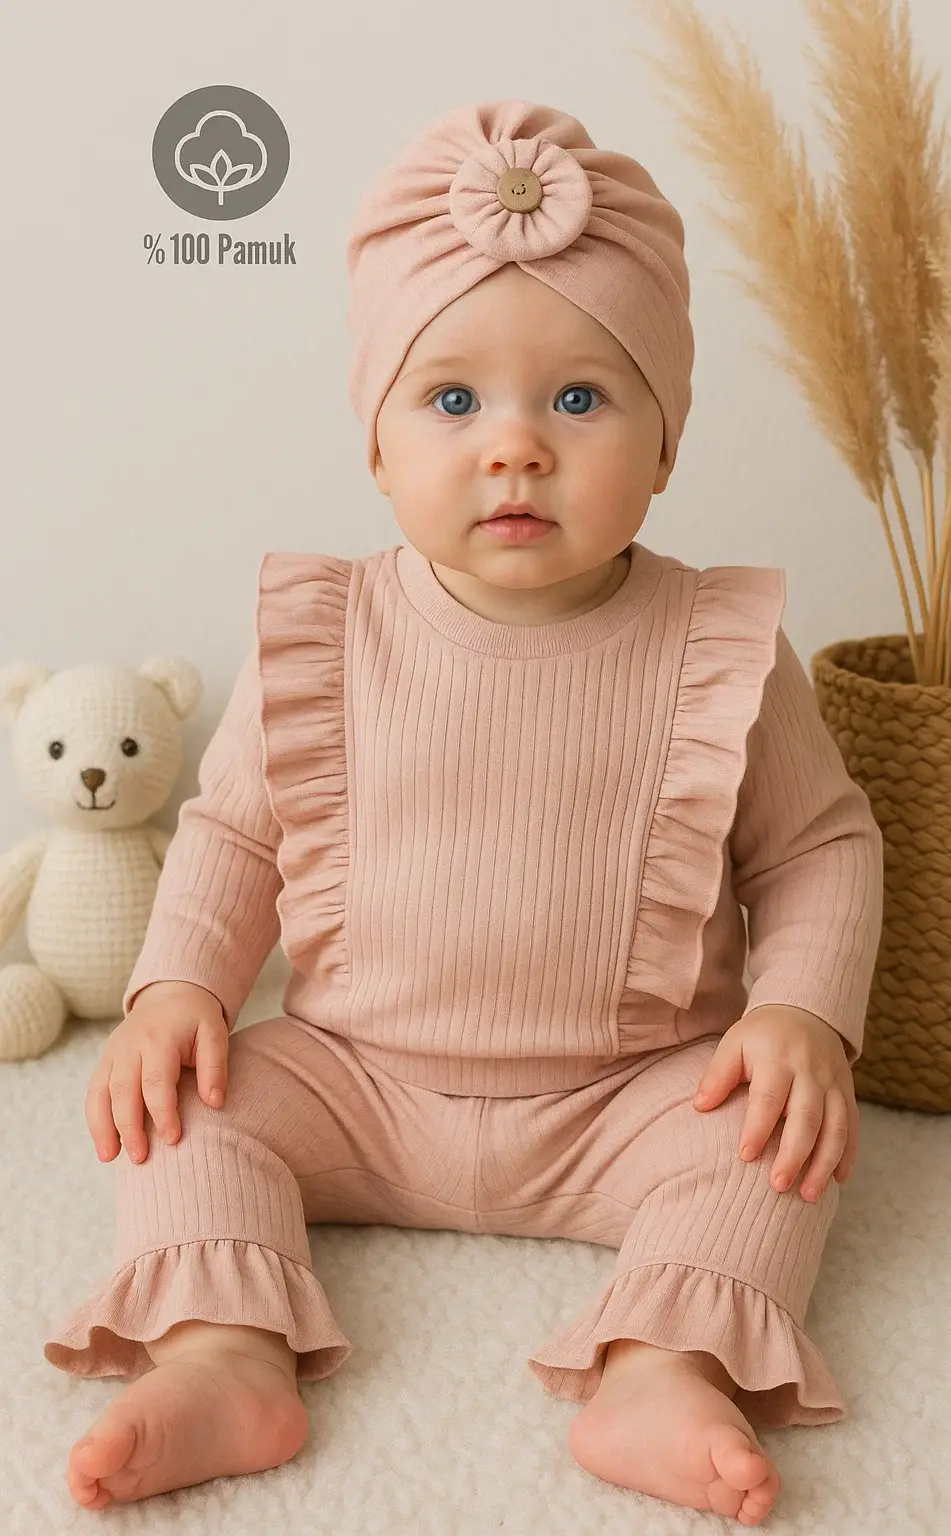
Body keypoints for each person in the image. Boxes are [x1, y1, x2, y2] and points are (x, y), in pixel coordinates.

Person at [45, 99, 884, 1526]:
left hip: (634, 1094)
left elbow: (821, 850)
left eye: (580, 399)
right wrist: (177, 986)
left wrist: (803, 1014)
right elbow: (234, 832)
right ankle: (224, 1355)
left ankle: (665, 1369)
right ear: (376, 447)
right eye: (451, 401)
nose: (516, 448)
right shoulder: (322, 631)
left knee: (773, 1154)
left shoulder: (720, 644)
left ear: (667, 444)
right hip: (356, 1081)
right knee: (182, 1118)